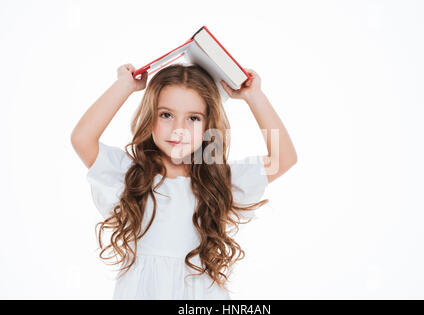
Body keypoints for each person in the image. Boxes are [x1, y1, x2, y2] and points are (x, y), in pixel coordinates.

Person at [71, 62, 297, 299]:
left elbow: (283, 158)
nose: (179, 129)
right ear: (149, 117)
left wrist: (254, 97)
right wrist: (124, 86)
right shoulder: (129, 175)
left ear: (209, 125)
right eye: (166, 115)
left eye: (193, 118)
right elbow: (82, 139)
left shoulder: (218, 182)